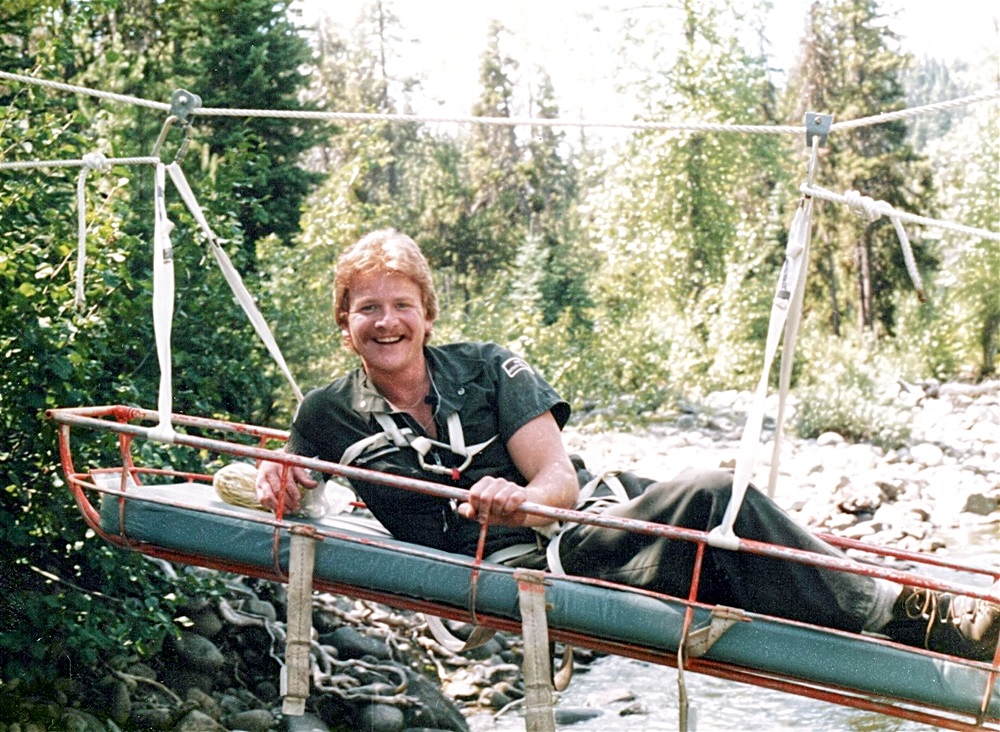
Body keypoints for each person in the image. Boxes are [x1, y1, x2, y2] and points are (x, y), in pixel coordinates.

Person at [256, 228, 1000, 662]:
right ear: (343, 324)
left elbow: (556, 483)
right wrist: (274, 482)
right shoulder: (328, 413)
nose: (386, 323)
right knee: (711, 495)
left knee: (729, 516)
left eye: (402, 307)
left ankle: (905, 613)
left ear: (427, 315)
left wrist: (516, 502)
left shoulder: (487, 366)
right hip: (517, 566)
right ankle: (914, 617)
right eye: (367, 310)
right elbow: (295, 486)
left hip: (567, 526)